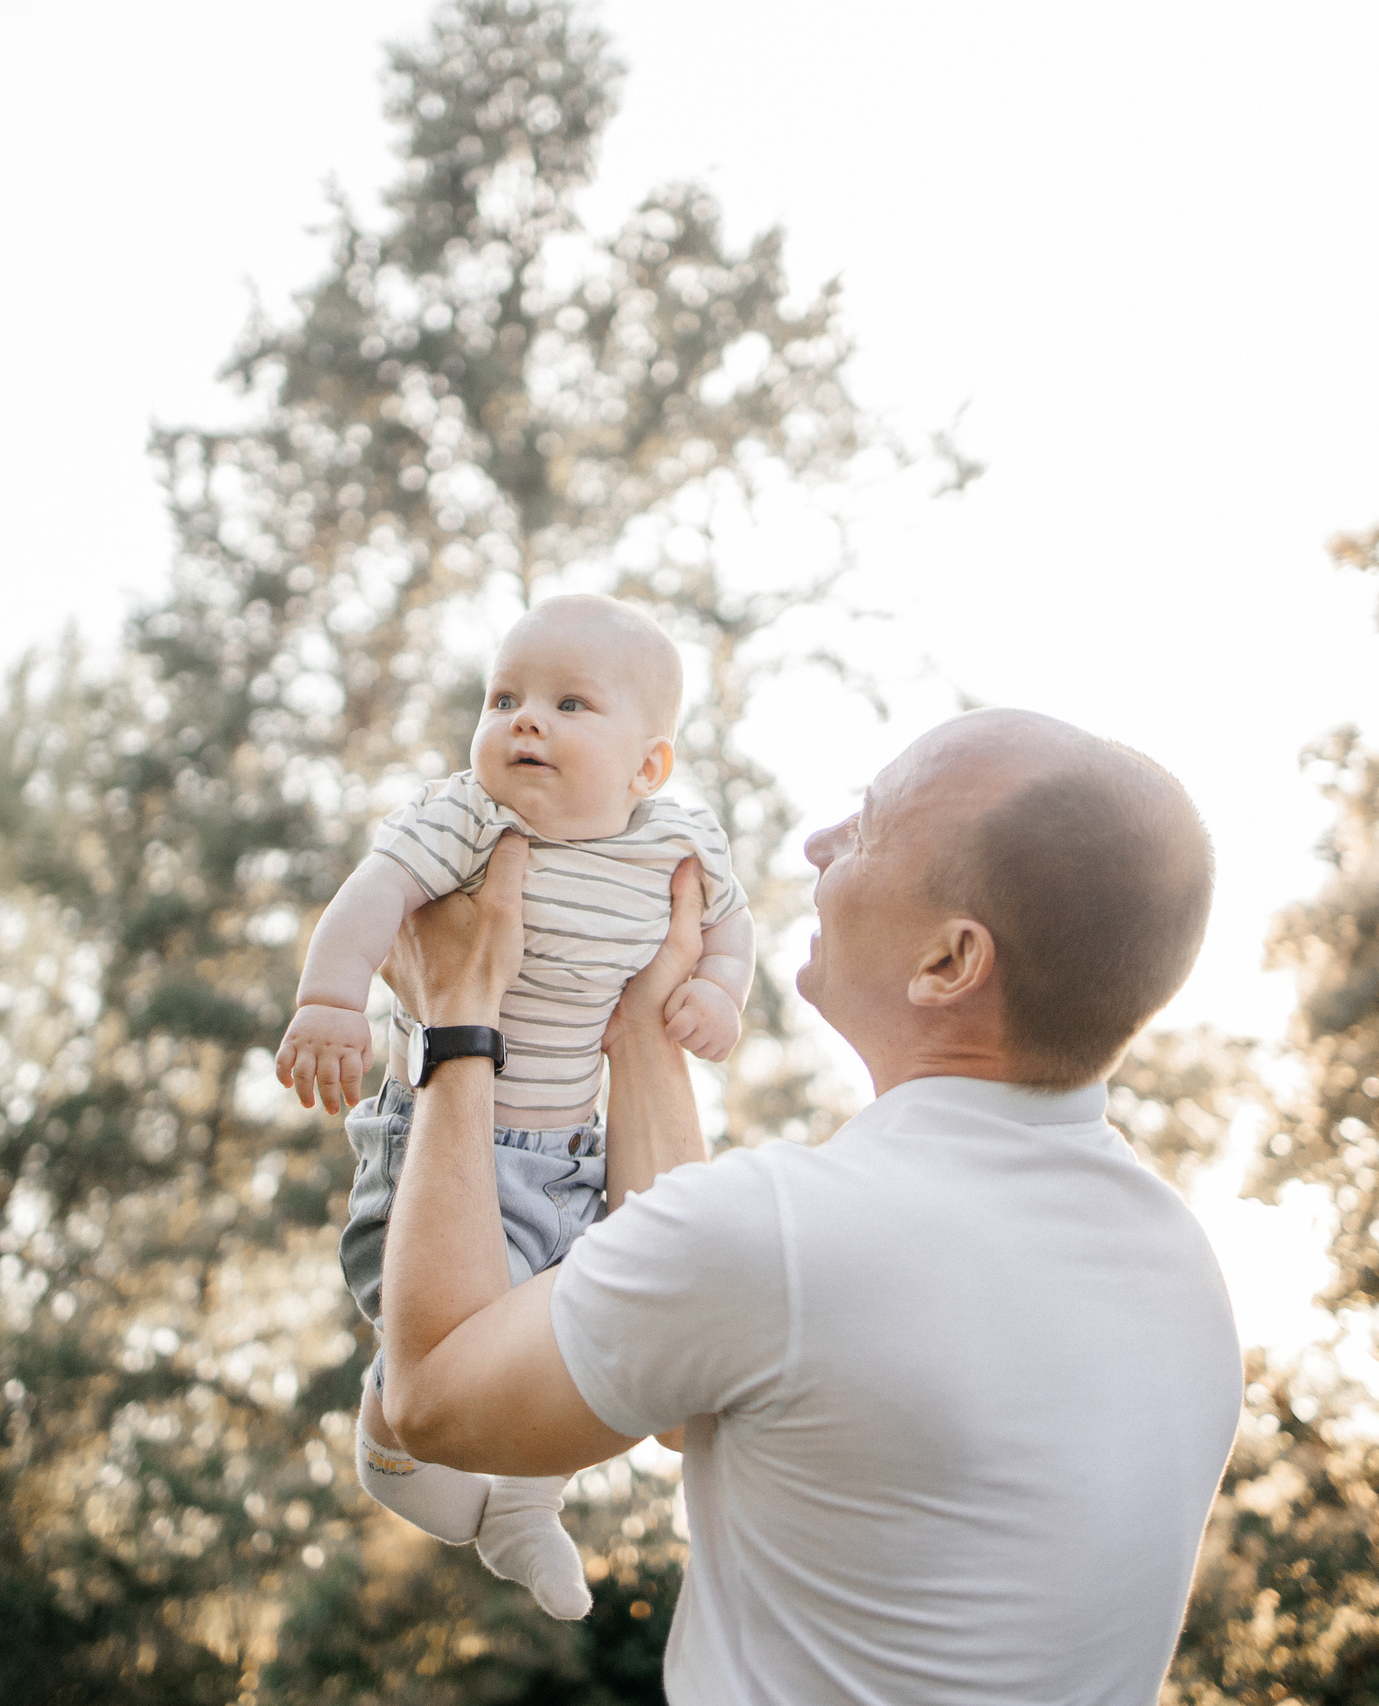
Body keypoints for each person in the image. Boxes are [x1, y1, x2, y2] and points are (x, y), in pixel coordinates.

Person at [372, 708, 1243, 1703]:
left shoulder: (790, 1236)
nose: (817, 846)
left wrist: (456, 1016)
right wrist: (642, 1033)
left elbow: (433, 1399)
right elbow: (697, 1367)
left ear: (948, 963)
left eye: (865, 831)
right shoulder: (1181, 1266)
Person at [273, 593, 756, 1618]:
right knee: (457, 1323)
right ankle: (392, 1424)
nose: (525, 719)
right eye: (503, 700)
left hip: (572, 1148)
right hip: (441, 1144)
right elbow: (372, 895)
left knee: (576, 1326)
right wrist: (329, 1000)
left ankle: (528, 1505)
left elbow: (730, 927)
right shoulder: (467, 818)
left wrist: (716, 990)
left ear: (649, 766)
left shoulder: (675, 842)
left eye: (569, 704)